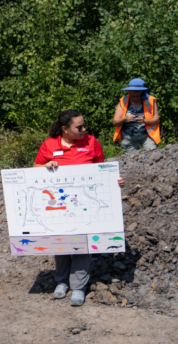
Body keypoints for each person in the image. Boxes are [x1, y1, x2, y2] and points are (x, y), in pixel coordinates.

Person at [33, 109, 125, 306]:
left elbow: (103, 170)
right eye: (79, 127)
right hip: (59, 205)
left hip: (84, 205)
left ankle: (78, 287)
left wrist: (115, 181)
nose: (85, 129)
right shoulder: (49, 144)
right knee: (61, 244)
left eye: (84, 125)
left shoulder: (91, 142)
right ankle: (61, 282)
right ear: (65, 129)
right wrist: (46, 165)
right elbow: (34, 169)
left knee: (82, 246)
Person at [112, 78, 160, 154]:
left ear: (142, 93)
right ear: (129, 92)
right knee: (131, 160)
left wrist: (144, 121)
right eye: (132, 96)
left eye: (138, 96)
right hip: (129, 139)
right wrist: (125, 118)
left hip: (147, 136)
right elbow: (115, 122)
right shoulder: (123, 101)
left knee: (153, 154)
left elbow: (156, 120)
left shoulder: (150, 100)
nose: (135, 98)